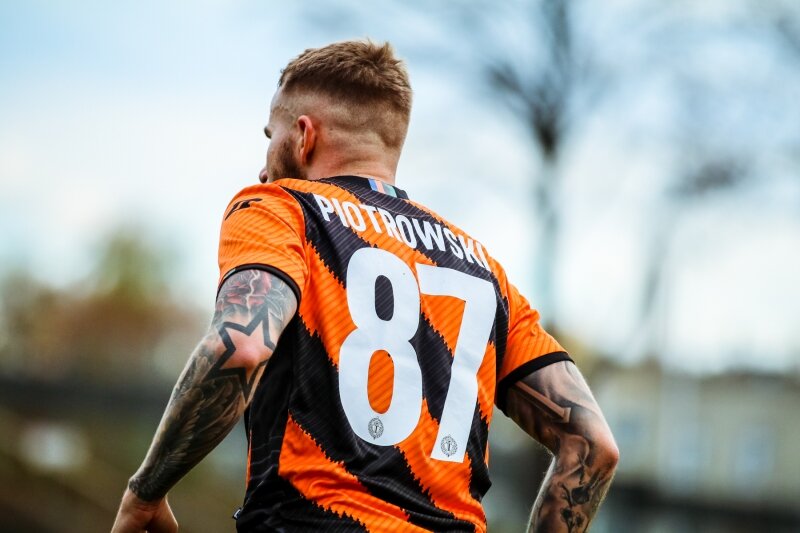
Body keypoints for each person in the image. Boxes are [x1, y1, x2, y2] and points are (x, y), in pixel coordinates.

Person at [111, 40, 618, 533]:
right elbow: (593, 444)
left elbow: (241, 345)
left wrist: (146, 491)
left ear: (304, 135)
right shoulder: (483, 270)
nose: (264, 167)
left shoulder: (284, 209)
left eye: (272, 136)